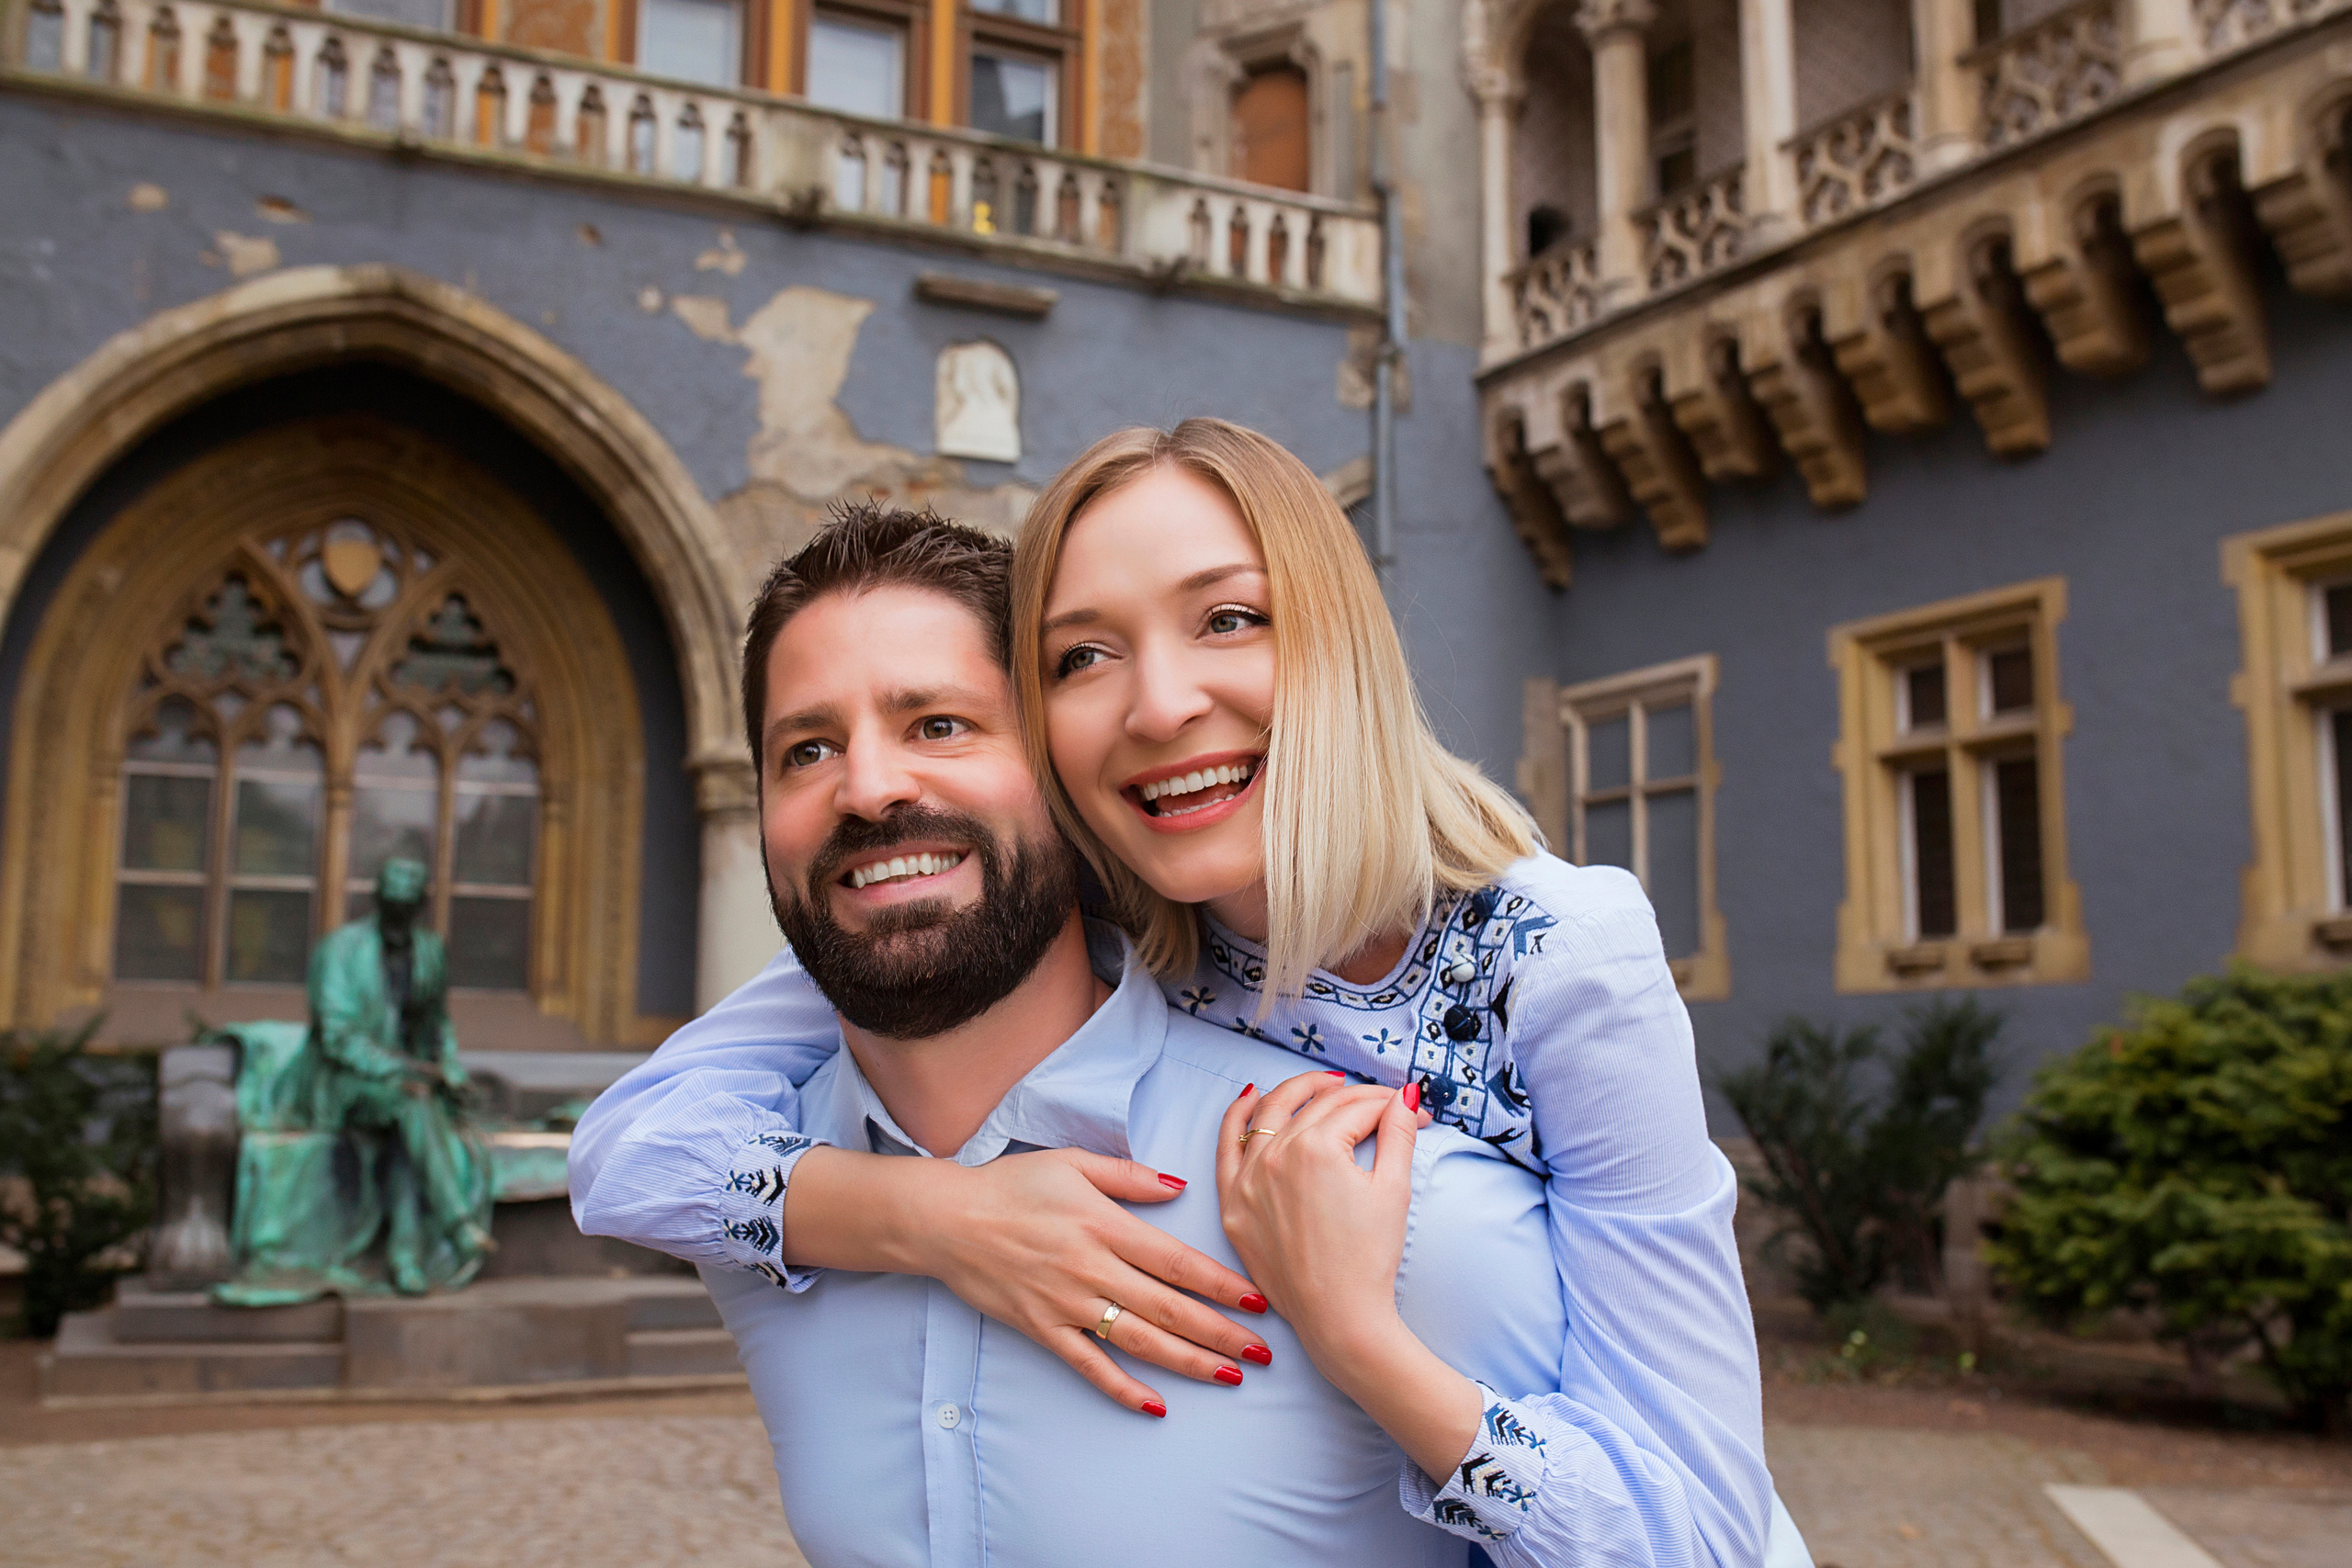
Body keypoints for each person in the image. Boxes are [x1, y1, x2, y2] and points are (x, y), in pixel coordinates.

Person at [574, 424, 1800, 1566]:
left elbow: (1704, 1525)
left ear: (1334, 641)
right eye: (1086, 655)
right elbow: (625, 1151)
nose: (1160, 704)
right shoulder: (1083, 903)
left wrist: (1359, 1333)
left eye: (1228, 617)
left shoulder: (1556, 957)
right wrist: (944, 1217)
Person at [691, 503, 1565, 1564]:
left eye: (938, 725)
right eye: (807, 748)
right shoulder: (752, 1221)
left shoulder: (1401, 1211)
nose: (867, 788)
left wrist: (1361, 1336)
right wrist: (921, 1216)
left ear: (1068, 778)